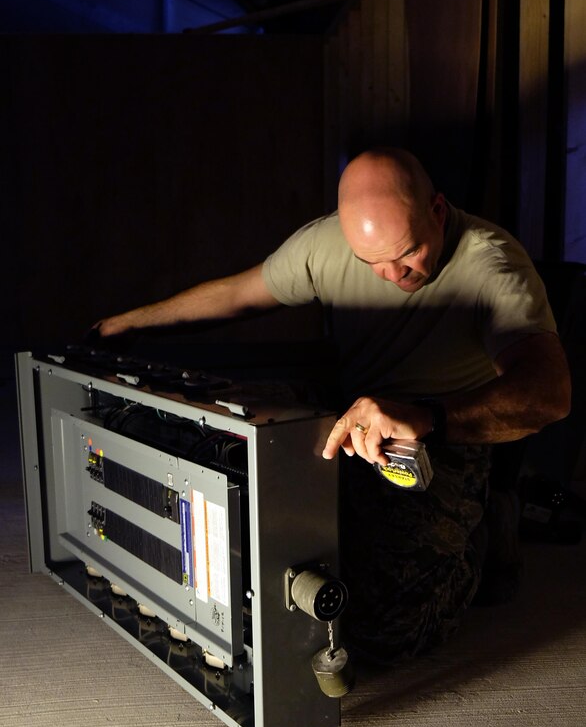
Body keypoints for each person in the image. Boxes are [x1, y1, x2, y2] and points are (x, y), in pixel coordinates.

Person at [95, 148, 571, 664]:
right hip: (348, 414)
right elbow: (238, 294)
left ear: (437, 211)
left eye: (408, 252)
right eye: (372, 262)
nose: (392, 274)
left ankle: (490, 528)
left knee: (385, 630)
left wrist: (429, 417)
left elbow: (550, 394)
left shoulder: (492, 264)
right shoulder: (326, 243)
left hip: (438, 434)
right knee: (228, 465)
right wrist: (130, 323)